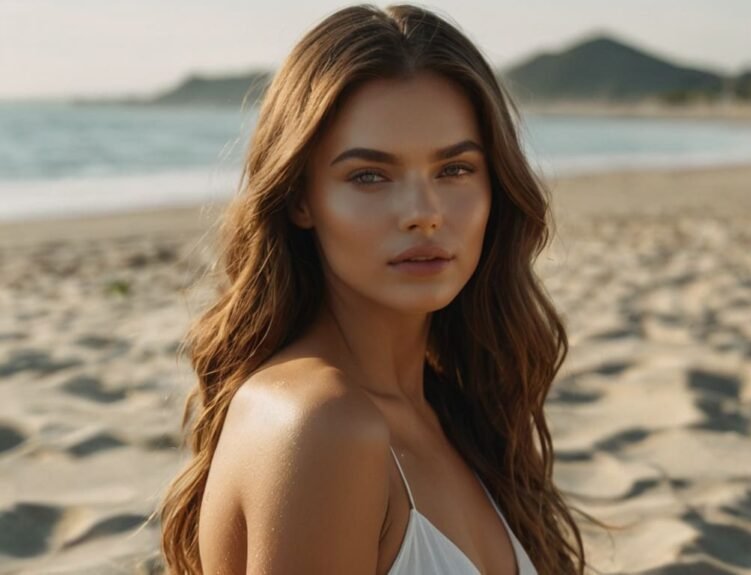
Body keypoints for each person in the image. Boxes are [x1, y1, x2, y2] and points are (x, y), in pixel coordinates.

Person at [155, 3, 596, 573]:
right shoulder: (319, 424)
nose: (424, 213)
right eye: (369, 175)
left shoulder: (453, 411)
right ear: (300, 198)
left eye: (455, 169)